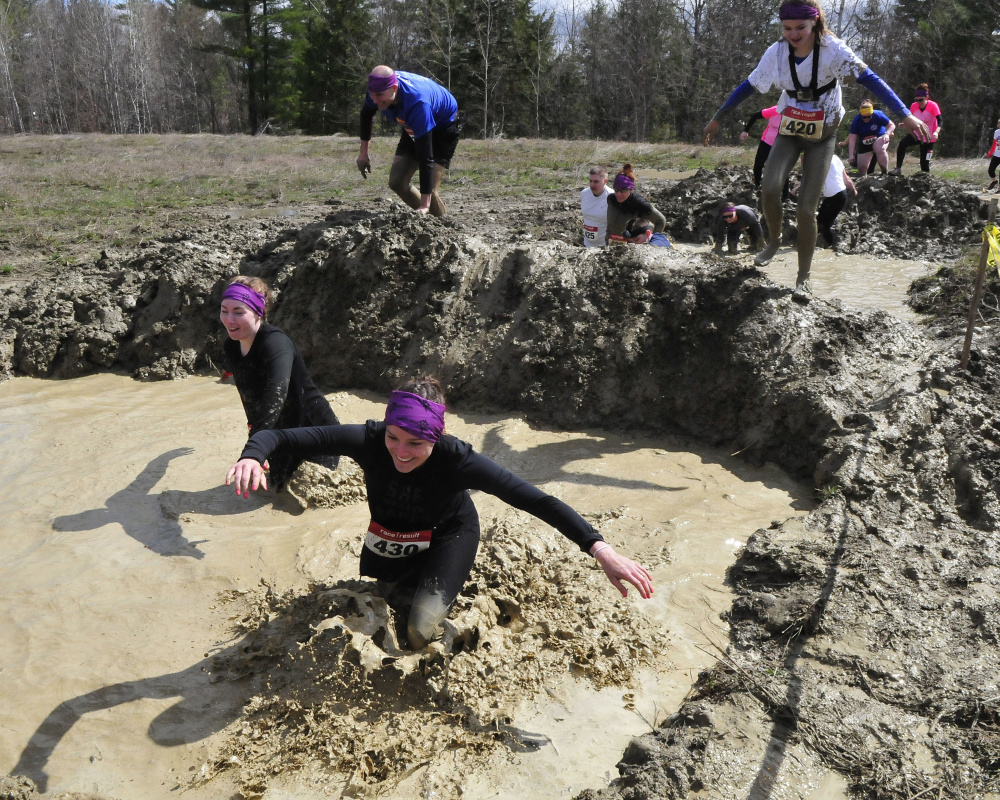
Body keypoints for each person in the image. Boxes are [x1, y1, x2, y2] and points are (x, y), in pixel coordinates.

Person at [226, 377, 654, 649]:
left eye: (416, 443)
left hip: (450, 535)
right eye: (394, 437)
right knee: (388, 601)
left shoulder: (458, 460)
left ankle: (465, 631)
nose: (401, 452)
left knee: (418, 632)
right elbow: (281, 437)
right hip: (394, 534)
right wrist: (252, 455)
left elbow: (535, 500)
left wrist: (601, 550)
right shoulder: (368, 440)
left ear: (436, 437)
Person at [702, 0, 928, 302]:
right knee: (769, 187)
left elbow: (871, 79)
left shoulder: (832, 49)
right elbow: (748, 85)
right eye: (787, 28)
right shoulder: (777, 52)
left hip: (823, 132)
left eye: (801, 28)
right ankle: (774, 241)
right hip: (791, 127)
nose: (793, 34)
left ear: (815, 23)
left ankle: (803, 278)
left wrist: (905, 114)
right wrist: (718, 116)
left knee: (807, 208)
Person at [220, 276, 340, 492]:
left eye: (238, 312)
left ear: (258, 312)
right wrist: (255, 430)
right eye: (224, 310)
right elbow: (247, 389)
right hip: (277, 435)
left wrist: (253, 450)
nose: (229, 319)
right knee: (277, 492)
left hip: (315, 433)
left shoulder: (276, 343)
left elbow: (277, 389)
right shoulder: (232, 346)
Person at [357, 66, 460, 217]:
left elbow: (425, 157)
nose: (375, 100)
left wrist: (425, 204)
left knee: (430, 192)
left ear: (394, 88)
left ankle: (442, 224)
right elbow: (366, 115)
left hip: (443, 126)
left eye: (379, 95)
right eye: (372, 95)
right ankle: (427, 218)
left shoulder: (417, 104)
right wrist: (363, 154)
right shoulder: (377, 90)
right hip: (414, 123)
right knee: (397, 182)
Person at [606, 164, 666, 244]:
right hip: (611, 243)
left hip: (631, 246)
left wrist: (653, 242)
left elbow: (661, 220)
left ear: (630, 189)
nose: (618, 194)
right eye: (616, 190)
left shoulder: (639, 204)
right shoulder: (611, 199)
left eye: (623, 190)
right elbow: (610, 225)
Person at [890, 84, 941, 175]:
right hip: (917, 134)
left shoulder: (933, 106)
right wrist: (904, 123)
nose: (918, 102)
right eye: (916, 100)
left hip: (929, 137)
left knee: (924, 162)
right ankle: (898, 169)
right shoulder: (914, 106)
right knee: (902, 144)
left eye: (921, 100)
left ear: (927, 97)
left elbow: (940, 120)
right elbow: (912, 119)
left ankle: (925, 177)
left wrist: (936, 132)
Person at [843, 100, 894, 176]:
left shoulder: (878, 115)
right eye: (864, 117)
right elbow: (852, 138)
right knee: (860, 168)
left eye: (869, 116)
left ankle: (884, 172)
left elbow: (891, 125)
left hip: (879, 138)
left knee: (878, 148)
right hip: (864, 142)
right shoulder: (856, 120)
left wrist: (887, 134)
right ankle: (861, 176)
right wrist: (851, 154)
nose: (866, 119)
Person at [816, 154, 856, 247]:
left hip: (837, 196)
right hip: (836, 195)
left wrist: (796, 188)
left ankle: (831, 246)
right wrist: (854, 189)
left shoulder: (822, 159)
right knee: (819, 220)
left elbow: (811, 177)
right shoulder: (836, 158)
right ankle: (816, 243)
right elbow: (846, 179)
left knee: (826, 225)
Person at [741, 106, 783, 189]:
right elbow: (755, 116)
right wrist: (745, 131)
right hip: (767, 142)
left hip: (781, 145)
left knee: (782, 169)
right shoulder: (775, 110)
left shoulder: (793, 114)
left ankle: (785, 195)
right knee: (758, 165)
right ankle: (757, 185)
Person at [581, 166, 612, 247]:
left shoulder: (612, 197)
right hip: (587, 245)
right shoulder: (584, 194)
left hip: (604, 246)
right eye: (590, 181)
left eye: (596, 182)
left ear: (605, 181)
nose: (592, 185)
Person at [986, 119, 1000, 193]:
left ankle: (999, 189)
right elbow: (994, 143)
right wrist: (990, 152)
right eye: (999, 123)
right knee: (990, 170)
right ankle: (994, 181)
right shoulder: (996, 132)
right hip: (997, 155)